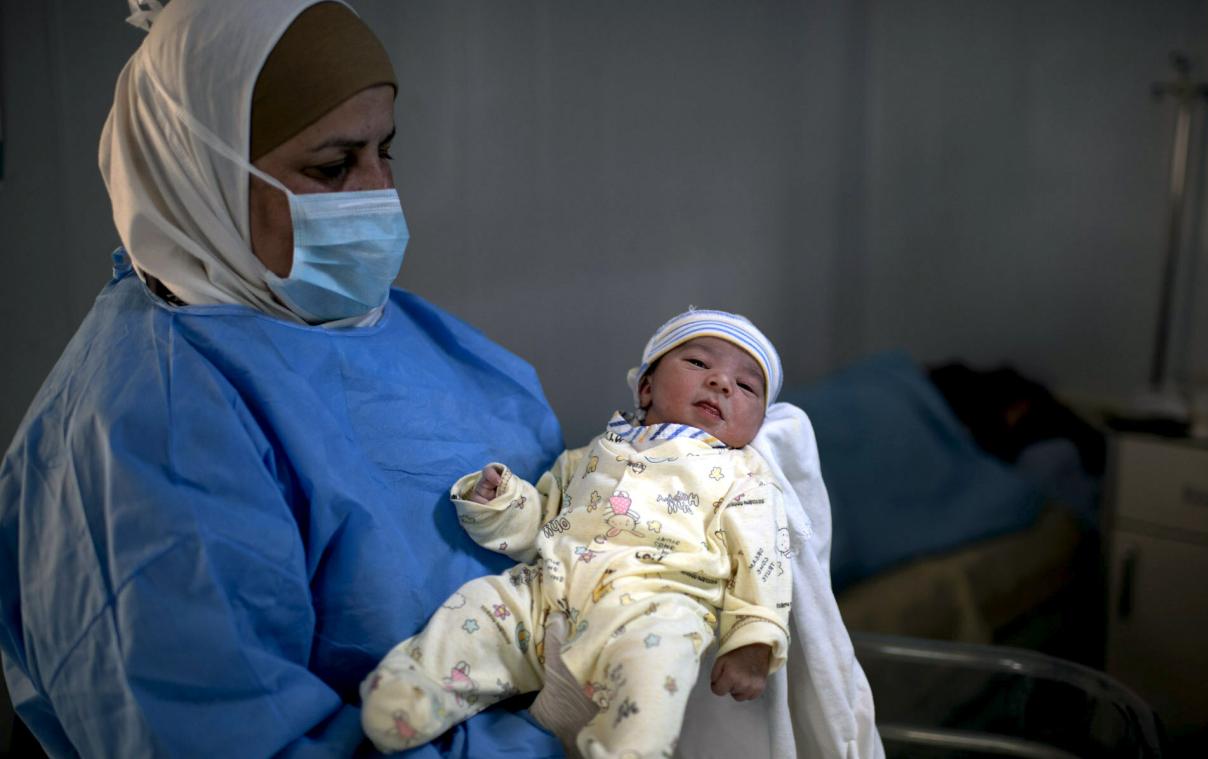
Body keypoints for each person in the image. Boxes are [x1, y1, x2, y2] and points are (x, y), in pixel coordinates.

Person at [0, 1, 569, 756]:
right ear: (195, 173)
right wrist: (556, 734)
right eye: (333, 167)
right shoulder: (152, 428)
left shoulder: (348, 317)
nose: (378, 193)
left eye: (384, 151)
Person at [360, 309, 793, 757]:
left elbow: (764, 559)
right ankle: (417, 693)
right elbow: (542, 523)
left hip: (654, 604)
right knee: (480, 605)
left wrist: (755, 640)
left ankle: (627, 751)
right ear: (646, 387)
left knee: (658, 665)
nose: (722, 383)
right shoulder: (592, 453)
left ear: (757, 424)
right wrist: (503, 502)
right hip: (548, 588)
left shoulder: (744, 476)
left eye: (746, 386)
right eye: (699, 364)